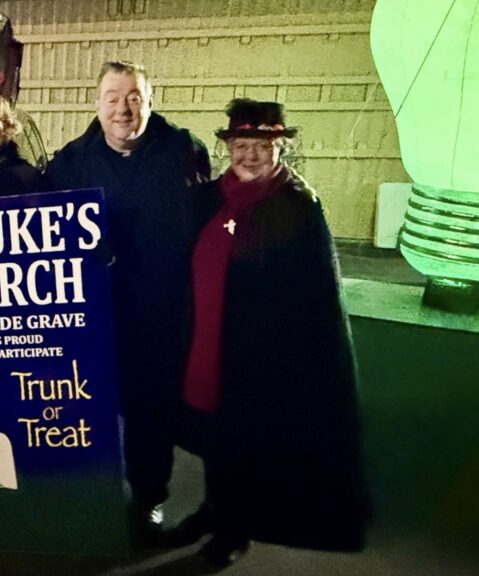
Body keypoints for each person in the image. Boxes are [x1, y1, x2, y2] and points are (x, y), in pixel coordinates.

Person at [167, 98, 370, 568]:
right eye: (241, 144)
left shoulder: (296, 207)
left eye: (261, 145)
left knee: (246, 440)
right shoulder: (206, 199)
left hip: (261, 354)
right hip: (206, 340)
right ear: (229, 147)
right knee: (215, 437)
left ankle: (233, 532)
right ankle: (213, 510)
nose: (250, 155)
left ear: (278, 147)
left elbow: (318, 294)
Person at [46, 61, 211, 543]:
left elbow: (208, 221)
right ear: (97, 105)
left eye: (134, 97)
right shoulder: (70, 162)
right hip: (91, 315)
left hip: (161, 313)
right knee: (82, 408)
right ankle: (80, 498)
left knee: (150, 413)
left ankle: (147, 500)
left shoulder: (184, 151)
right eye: (114, 98)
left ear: (150, 102)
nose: (124, 108)